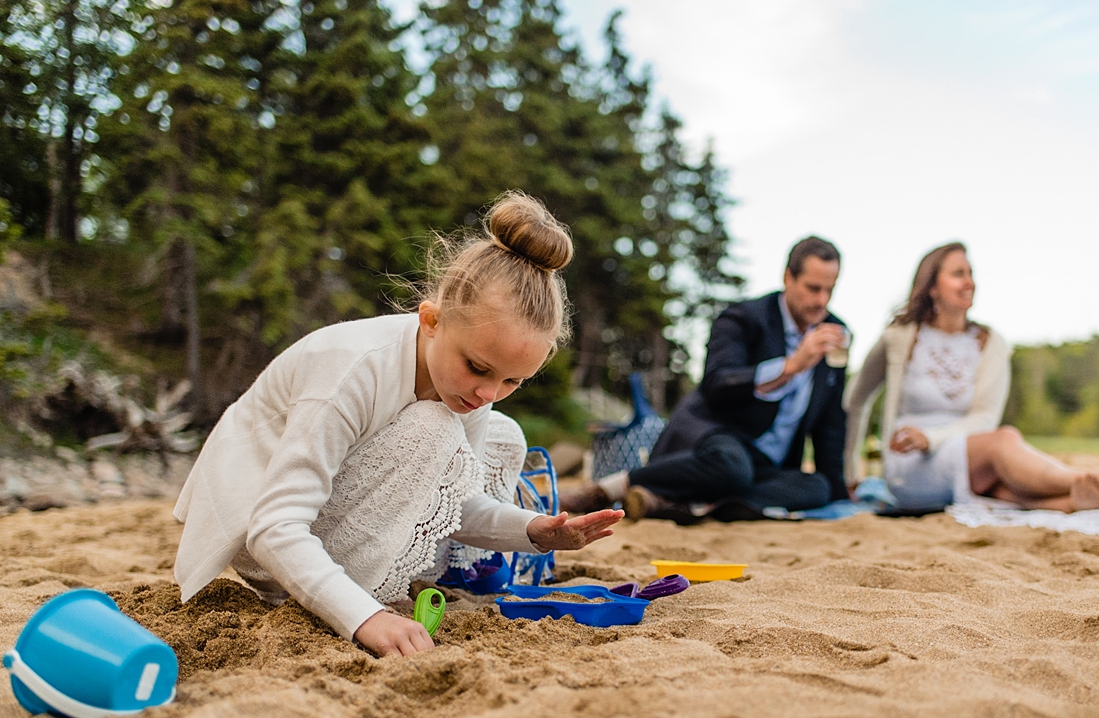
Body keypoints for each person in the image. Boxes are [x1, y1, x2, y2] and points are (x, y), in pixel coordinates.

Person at [172, 192, 623, 657]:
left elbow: (453, 500)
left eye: (513, 380)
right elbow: (274, 526)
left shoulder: (467, 387)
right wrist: (364, 619)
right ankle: (360, 593)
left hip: (325, 517)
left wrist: (532, 531)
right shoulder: (352, 369)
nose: (488, 392)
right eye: (478, 367)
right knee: (433, 427)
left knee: (503, 434)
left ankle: (447, 569)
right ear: (431, 320)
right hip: (264, 536)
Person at [564, 236, 851, 521]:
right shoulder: (743, 318)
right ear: (788, 277)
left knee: (819, 487)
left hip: (765, 464)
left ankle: (682, 503)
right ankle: (608, 489)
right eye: (813, 289)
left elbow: (830, 423)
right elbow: (718, 383)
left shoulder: (836, 333)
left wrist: (841, 495)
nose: (821, 301)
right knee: (732, 468)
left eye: (830, 290)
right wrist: (791, 367)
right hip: (714, 439)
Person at [844, 241, 1099, 513]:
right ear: (932, 286)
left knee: (1003, 484)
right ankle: (1085, 478)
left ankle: (1074, 500)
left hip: (968, 454)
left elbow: (985, 418)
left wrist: (932, 438)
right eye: (958, 274)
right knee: (1004, 441)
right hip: (908, 467)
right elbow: (854, 401)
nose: (969, 282)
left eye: (970, 273)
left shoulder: (990, 343)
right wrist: (846, 474)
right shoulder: (901, 337)